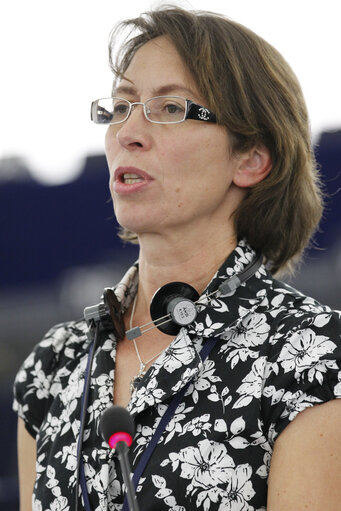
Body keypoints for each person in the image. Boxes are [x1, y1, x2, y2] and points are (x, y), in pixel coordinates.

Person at [13, 6, 341, 511]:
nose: (128, 133)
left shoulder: (313, 355)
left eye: (170, 109)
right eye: (120, 108)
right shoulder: (52, 366)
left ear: (251, 158)